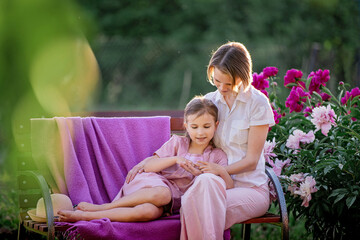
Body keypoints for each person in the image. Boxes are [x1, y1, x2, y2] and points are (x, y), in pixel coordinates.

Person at [58, 96, 233, 223]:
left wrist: (218, 171)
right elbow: (149, 166)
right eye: (194, 127)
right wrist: (176, 159)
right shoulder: (178, 143)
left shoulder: (217, 156)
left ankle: (87, 216)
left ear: (216, 126)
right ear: (186, 126)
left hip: (169, 204)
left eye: (206, 126)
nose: (200, 132)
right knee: (163, 194)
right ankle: (102, 207)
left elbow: (230, 188)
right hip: (152, 184)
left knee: (147, 212)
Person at [178, 42, 276, 239]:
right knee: (198, 195)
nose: (222, 88)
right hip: (214, 184)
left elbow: (252, 160)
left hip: (250, 189)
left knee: (199, 209)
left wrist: (221, 170)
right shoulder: (209, 101)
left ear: (242, 77)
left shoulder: (257, 103)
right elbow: (197, 141)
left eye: (228, 83)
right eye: (217, 81)